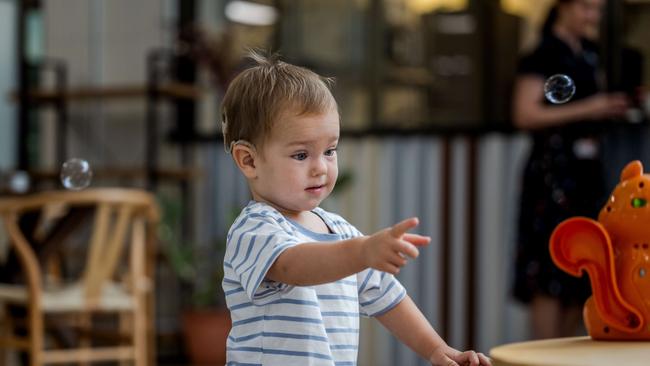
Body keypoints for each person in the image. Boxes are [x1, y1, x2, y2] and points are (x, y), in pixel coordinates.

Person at [220, 51, 491, 365]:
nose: (321, 167)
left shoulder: (339, 231)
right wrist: (362, 252)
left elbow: (387, 297)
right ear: (249, 160)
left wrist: (437, 349)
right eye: (300, 155)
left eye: (330, 150)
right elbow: (294, 266)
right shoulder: (254, 228)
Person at [511, 0, 630, 339]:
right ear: (562, 7)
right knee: (550, 265)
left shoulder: (590, 52)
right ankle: (542, 354)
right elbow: (524, 114)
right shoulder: (543, 54)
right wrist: (591, 108)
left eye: (597, 11)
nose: (592, 17)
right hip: (552, 175)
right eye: (585, 8)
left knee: (583, 266)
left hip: (586, 174)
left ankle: (563, 353)